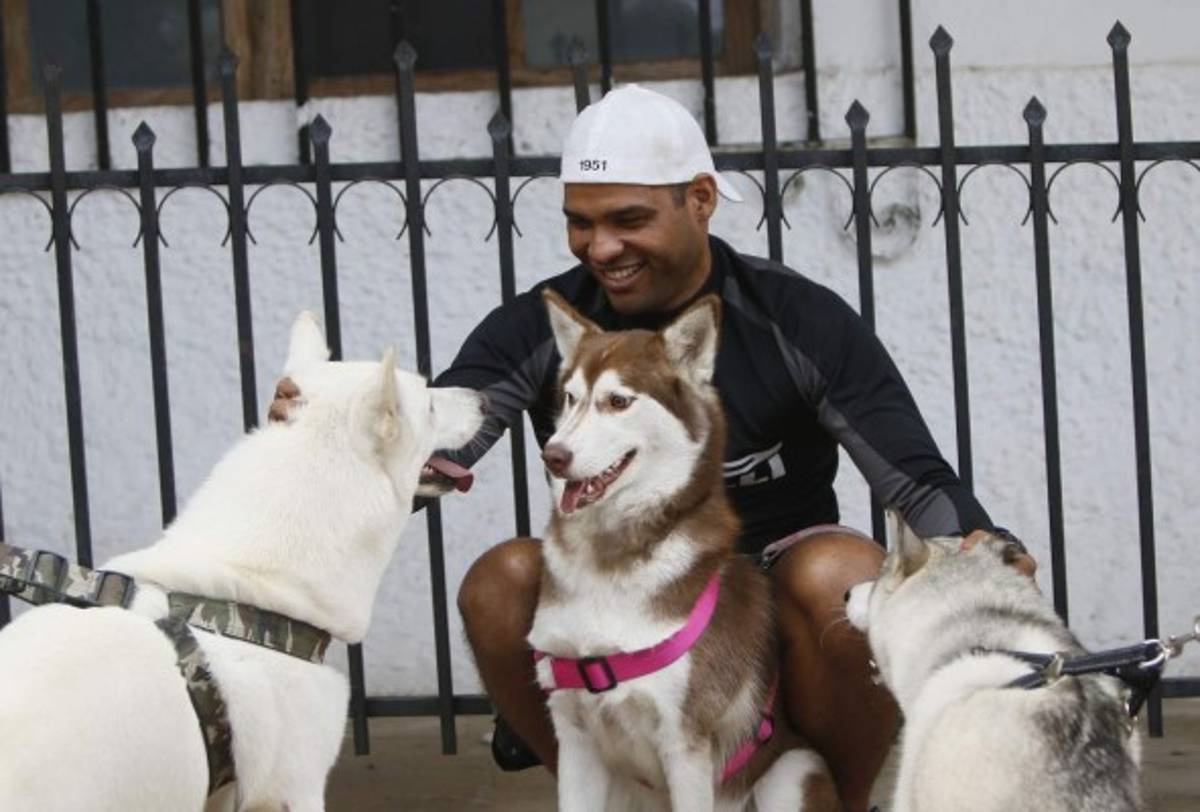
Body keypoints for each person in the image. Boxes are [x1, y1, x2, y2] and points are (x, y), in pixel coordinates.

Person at [276, 84, 1034, 811]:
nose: (601, 246)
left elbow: (913, 476)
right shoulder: (548, 323)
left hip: (765, 594)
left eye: (628, 218)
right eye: (580, 221)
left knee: (847, 572)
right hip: (616, 594)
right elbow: (430, 450)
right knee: (498, 584)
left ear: (700, 199)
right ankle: (622, 794)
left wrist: (985, 549)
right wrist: (321, 435)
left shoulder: (796, 319)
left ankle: (835, 802)